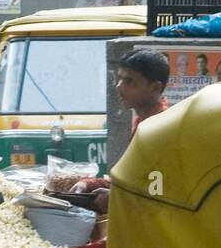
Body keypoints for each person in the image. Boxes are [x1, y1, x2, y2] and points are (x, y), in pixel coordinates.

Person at [72, 49, 171, 214]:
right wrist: (88, 184)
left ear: (155, 87)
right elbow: (129, 180)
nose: (119, 87)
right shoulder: (141, 122)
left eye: (129, 81)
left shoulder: (161, 129)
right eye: (119, 79)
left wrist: (116, 199)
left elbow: (158, 193)